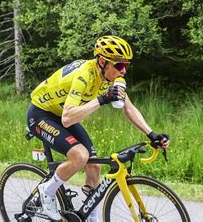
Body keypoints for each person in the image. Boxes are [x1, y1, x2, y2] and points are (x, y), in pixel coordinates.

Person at [26, 36, 170, 221]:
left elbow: (128, 107)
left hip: (63, 114)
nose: (124, 70)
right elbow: (68, 118)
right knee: (80, 156)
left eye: (126, 65)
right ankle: (47, 191)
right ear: (102, 61)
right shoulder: (83, 76)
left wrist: (152, 134)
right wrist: (102, 99)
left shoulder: (111, 77)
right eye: (119, 66)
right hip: (41, 114)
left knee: (94, 166)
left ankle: (90, 218)